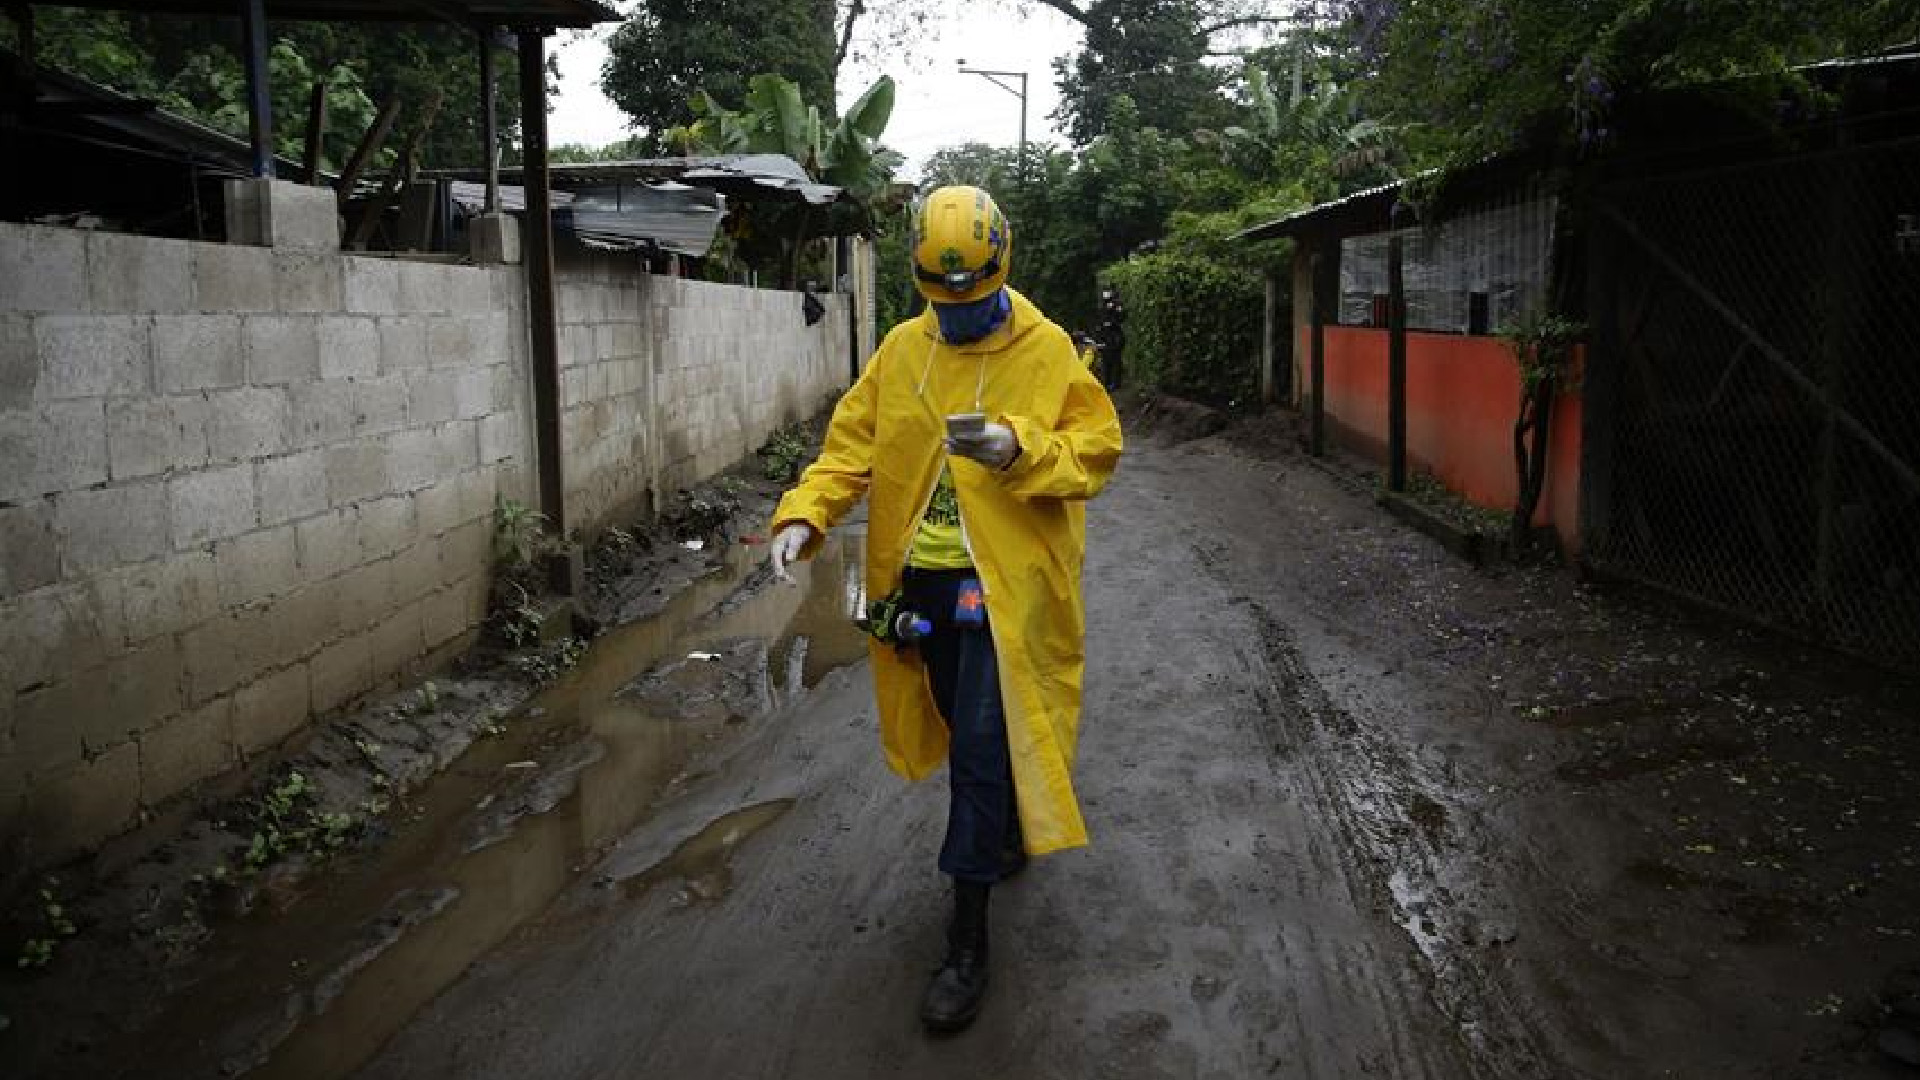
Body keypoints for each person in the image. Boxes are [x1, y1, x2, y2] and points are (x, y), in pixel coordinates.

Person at [766, 185, 1123, 1034]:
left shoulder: (1047, 351)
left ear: (1003, 270)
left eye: (974, 300)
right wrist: (805, 514)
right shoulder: (901, 349)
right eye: (943, 301)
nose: (960, 317)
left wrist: (1018, 448)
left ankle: (966, 944)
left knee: (982, 752)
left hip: (1001, 592)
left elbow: (1097, 451)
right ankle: (999, 838)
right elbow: (849, 448)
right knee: (966, 734)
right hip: (919, 588)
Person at [1096, 287, 1126, 390]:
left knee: (1116, 360)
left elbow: (1121, 318)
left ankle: (1116, 383)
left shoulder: (1117, 305)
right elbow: (1100, 320)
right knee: (1106, 359)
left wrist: (1112, 322)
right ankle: (1107, 381)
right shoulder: (1102, 306)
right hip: (1105, 336)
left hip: (1115, 336)